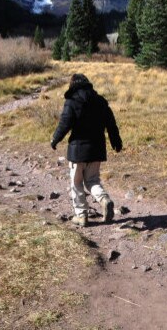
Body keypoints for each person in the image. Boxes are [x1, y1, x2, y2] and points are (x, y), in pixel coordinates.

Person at [51, 73, 122, 226]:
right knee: (92, 180)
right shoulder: (101, 101)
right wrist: (116, 141)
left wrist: (55, 139)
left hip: (77, 151)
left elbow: (64, 124)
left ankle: (81, 215)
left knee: (76, 183)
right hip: (96, 150)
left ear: (73, 85)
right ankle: (104, 199)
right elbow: (111, 124)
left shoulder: (72, 101)